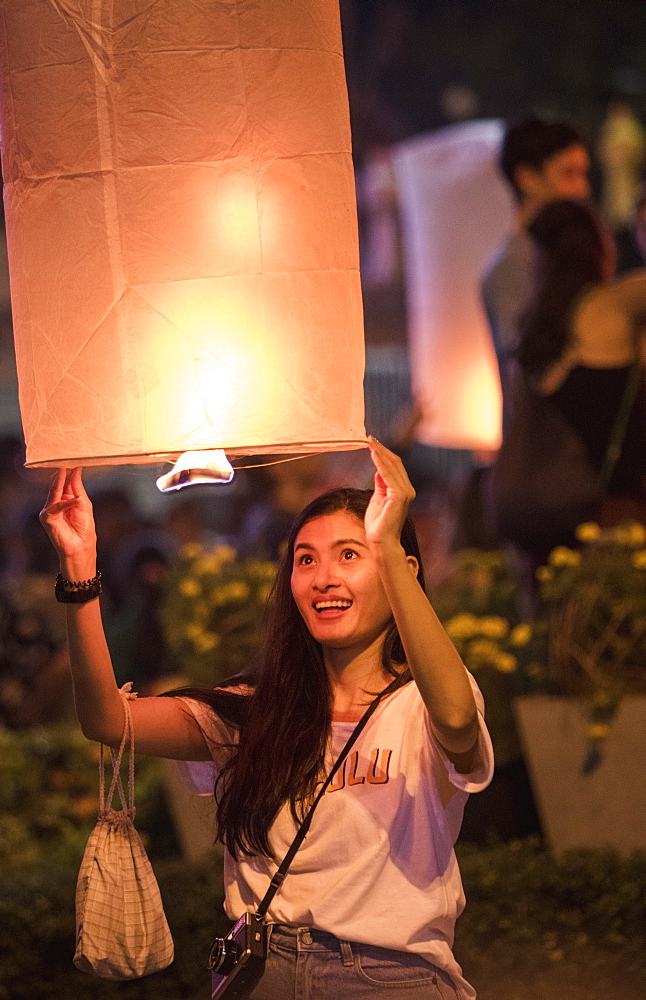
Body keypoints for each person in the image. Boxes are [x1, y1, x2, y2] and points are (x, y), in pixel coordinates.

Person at [39, 438, 493, 1000]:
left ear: (401, 569)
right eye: (306, 559)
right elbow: (109, 720)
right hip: (258, 973)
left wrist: (388, 538)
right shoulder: (255, 708)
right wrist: (80, 571)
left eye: (350, 555)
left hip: (388, 977)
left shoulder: (425, 701)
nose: (323, 577)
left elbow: (456, 717)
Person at [515, 199, 646, 541]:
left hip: (544, 519)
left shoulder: (533, 331)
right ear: (596, 247)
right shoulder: (613, 306)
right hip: (615, 513)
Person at [482, 117, 591, 428]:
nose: (581, 189)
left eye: (583, 174)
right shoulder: (516, 265)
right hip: (544, 455)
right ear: (527, 178)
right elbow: (533, 368)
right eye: (569, 174)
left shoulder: (558, 257)